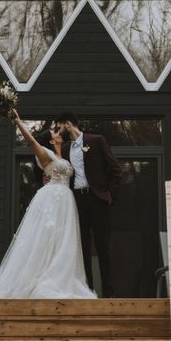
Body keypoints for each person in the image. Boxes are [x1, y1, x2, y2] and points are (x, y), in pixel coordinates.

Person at [0, 111, 95, 299]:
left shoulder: (64, 153)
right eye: (54, 132)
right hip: (53, 199)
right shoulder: (46, 154)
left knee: (63, 241)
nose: (58, 132)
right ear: (50, 141)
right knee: (46, 238)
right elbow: (32, 142)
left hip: (66, 201)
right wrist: (17, 121)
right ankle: (43, 279)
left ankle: (62, 277)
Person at [55, 112, 123, 298]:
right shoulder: (66, 148)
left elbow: (116, 170)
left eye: (59, 126)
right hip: (77, 201)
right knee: (82, 248)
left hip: (97, 199)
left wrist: (108, 195)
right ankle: (88, 290)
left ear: (68, 124)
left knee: (103, 246)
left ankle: (108, 293)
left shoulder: (96, 140)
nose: (57, 130)